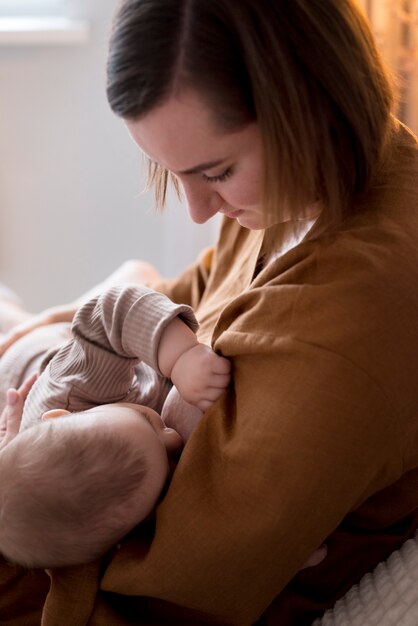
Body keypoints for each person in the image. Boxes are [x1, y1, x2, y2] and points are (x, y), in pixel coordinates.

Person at [0, 0, 417, 624]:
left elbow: (176, 589)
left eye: (216, 172)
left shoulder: (339, 332)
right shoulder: (301, 191)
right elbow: (186, 295)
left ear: (310, 103)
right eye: (171, 172)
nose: (196, 211)